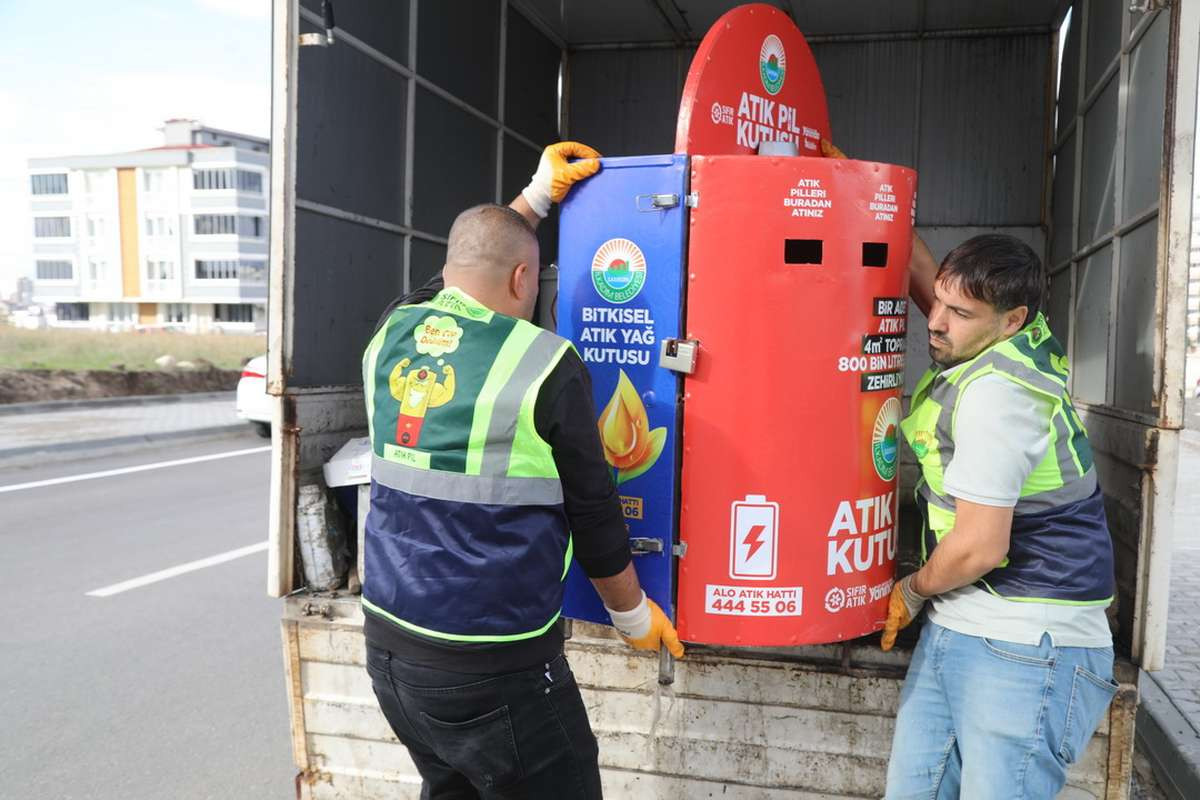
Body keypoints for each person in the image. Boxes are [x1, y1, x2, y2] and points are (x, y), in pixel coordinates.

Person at [360, 142, 684, 799]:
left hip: (390, 652)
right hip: (493, 667)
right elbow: (594, 512)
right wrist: (632, 617)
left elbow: (447, 281)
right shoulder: (543, 362)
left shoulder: (392, 333)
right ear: (522, 282)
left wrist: (531, 203)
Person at [881, 234, 1118, 799]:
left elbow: (979, 548)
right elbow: (939, 286)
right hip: (963, 623)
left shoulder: (997, 396)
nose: (934, 322)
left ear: (1012, 320)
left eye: (958, 313)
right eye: (937, 301)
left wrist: (912, 590)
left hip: (1025, 644)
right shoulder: (1005, 339)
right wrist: (878, 206)